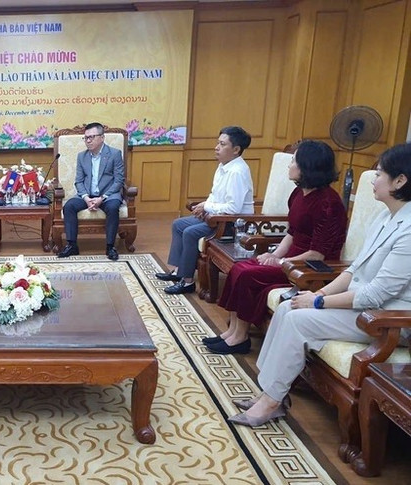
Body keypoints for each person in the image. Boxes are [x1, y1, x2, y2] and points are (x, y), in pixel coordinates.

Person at [229, 143, 411, 427]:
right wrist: (319, 292)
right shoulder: (386, 216)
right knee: (289, 306)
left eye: (379, 174)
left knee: (297, 320)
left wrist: (317, 302)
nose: (373, 180)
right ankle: (271, 392)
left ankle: (271, 402)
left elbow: (377, 294)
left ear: (400, 181)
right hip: (359, 304)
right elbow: (354, 270)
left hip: (386, 319)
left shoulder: (409, 231)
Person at [206, 140, 347, 355]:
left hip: (308, 266)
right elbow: (292, 232)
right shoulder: (299, 193)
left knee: (246, 275)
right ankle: (232, 331)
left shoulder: (329, 203)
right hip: (290, 258)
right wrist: (274, 255)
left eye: (293, 161)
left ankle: (240, 337)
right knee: (238, 267)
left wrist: (281, 262)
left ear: (307, 166)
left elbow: (318, 254)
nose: (289, 165)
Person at [156, 126, 254, 294]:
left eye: (222, 144)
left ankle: (187, 282)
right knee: (178, 224)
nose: (217, 147)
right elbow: (215, 195)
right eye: (218, 143)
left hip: (231, 224)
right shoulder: (224, 166)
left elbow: (234, 208)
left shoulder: (237, 172)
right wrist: (204, 205)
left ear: (236, 150)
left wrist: (207, 207)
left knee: (190, 232)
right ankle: (180, 270)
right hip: (215, 217)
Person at [56, 122, 125, 261]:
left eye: (91, 137)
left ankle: (110, 246)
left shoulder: (114, 154)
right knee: (69, 206)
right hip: (87, 194)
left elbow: (119, 181)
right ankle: (72, 245)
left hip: (108, 195)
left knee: (112, 207)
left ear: (102, 138)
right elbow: (79, 181)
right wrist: (86, 198)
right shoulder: (82, 156)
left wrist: (102, 198)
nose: (88, 141)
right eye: (86, 138)